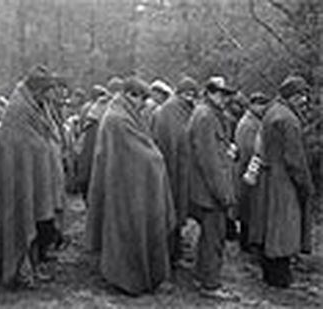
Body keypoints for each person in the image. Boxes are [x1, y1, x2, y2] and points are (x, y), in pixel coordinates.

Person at [85, 76, 176, 295]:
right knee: (129, 228)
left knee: (131, 227)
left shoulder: (124, 113)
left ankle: (131, 275)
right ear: (129, 95)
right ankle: (128, 279)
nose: (143, 104)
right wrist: (156, 159)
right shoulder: (117, 118)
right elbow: (139, 151)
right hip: (124, 184)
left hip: (126, 180)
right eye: (141, 98)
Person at [0, 65, 67, 288]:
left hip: (36, 175)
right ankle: (19, 271)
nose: (52, 95)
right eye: (49, 90)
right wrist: (43, 149)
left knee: (37, 220)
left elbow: (43, 137)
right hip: (19, 176)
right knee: (20, 218)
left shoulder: (37, 105)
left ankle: (32, 264)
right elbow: (22, 144)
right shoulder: (19, 109)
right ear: (38, 90)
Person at [253, 76, 314, 288]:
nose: (304, 100)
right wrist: (305, 184)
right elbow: (294, 159)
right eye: (301, 95)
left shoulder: (271, 112)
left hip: (269, 176)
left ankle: (270, 273)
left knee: (269, 227)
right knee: (283, 228)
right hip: (283, 180)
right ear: (292, 96)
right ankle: (280, 278)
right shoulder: (288, 120)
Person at [187, 76, 238, 300]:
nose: (223, 98)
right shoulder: (206, 117)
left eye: (226, 94)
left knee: (209, 236)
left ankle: (202, 277)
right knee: (214, 238)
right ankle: (210, 285)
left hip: (205, 188)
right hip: (209, 191)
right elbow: (209, 161)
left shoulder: (206, 114)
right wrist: (224, 194)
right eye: (219, 93)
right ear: (208, 93)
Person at [151, 76, 199, 265]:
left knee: (179, 211)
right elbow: (170, 142)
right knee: (171, 209)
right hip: (172, 169)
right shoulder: (170, 110)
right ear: (179, 93)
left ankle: (176, 250)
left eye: (193, 94)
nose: (190, 97)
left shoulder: (185, 109)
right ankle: (169, 254)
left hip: (183, 168)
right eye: (187, 93)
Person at [234, 92, 270, 251]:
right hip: (247, 169)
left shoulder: (253, 121)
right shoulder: (249, 124)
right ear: (252, 105)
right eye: (260, 104)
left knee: (248, 208)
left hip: (247, 168)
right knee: (247, 208)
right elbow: (249, 149)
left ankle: (247, 240)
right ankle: (246, 242)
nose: (263, 108)